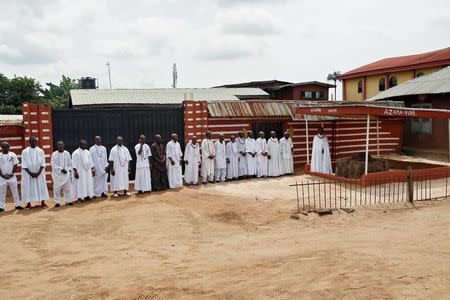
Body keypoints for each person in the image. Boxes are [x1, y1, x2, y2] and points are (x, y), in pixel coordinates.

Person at [21, 136, 49, 208]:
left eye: (34, 141)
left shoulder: (40, 151)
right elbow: (24, 163)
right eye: (32, 141)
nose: (33, 142)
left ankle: (42, 202)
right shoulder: (24, 151)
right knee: (28, 187)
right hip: (28, 174)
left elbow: (43, 162)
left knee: (41, 186)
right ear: (29, 142)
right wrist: (30, 173)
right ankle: (28, 203)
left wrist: (38, 172)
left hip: (39, 173)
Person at [0, 142, 23, 211]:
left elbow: (15, 165)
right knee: (2, 192)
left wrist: (12, 174)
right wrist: (2, 175)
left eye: (8, 146)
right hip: (2, 177)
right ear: (1, 147)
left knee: (15, 191)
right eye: (5, 147)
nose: (7, 148)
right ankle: (1, 207)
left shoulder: (13, 155)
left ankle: (17, 205)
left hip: (12, 177)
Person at [51, 141, 73, 207]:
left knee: (68, 188)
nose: (60, 146)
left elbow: (70, 163)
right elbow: (53, 164)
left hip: (66, 174)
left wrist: (68, 170)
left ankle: (68, 201)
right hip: (57, 175)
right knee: (57, 189)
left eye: (61, 144)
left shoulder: (67, 153)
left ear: (63, 145)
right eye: (59, 145)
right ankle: (57, 202)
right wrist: (61, 169)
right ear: (57, 146)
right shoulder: (54, 154)